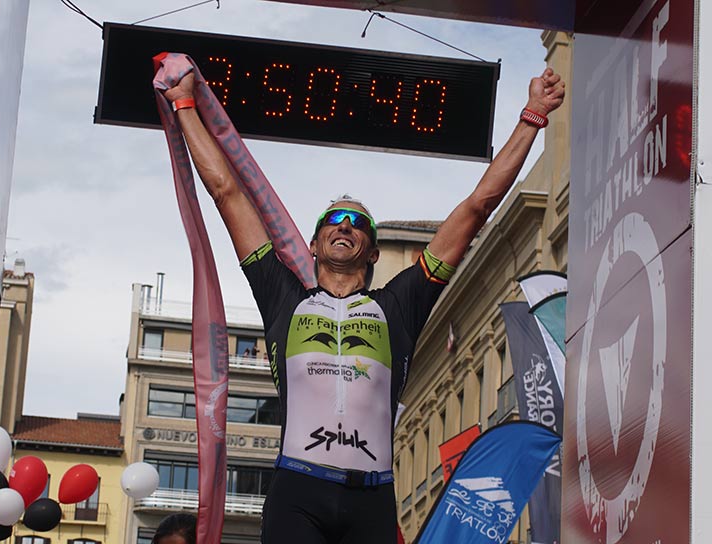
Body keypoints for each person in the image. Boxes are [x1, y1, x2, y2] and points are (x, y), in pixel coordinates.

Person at [163, 67, 564, 544]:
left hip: (371, 500)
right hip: (298, 490)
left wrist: (533, 115)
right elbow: (226, 192)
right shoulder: (282, 298)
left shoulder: (398, 306)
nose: (345, 225)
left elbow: (478, 206)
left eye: (357, 222)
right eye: (334, 219)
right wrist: (184, 105)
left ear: (372, 251)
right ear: (313, 243)